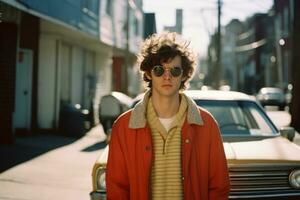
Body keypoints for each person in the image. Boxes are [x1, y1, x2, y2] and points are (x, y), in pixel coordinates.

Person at [106, 32, 230, 200]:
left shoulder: (207, 125)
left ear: (185, 75)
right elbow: (117, 189)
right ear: (149, 74)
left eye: (175, 70)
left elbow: (219, 187)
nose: (167, 76)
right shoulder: (124, 126)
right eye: (159, 70)